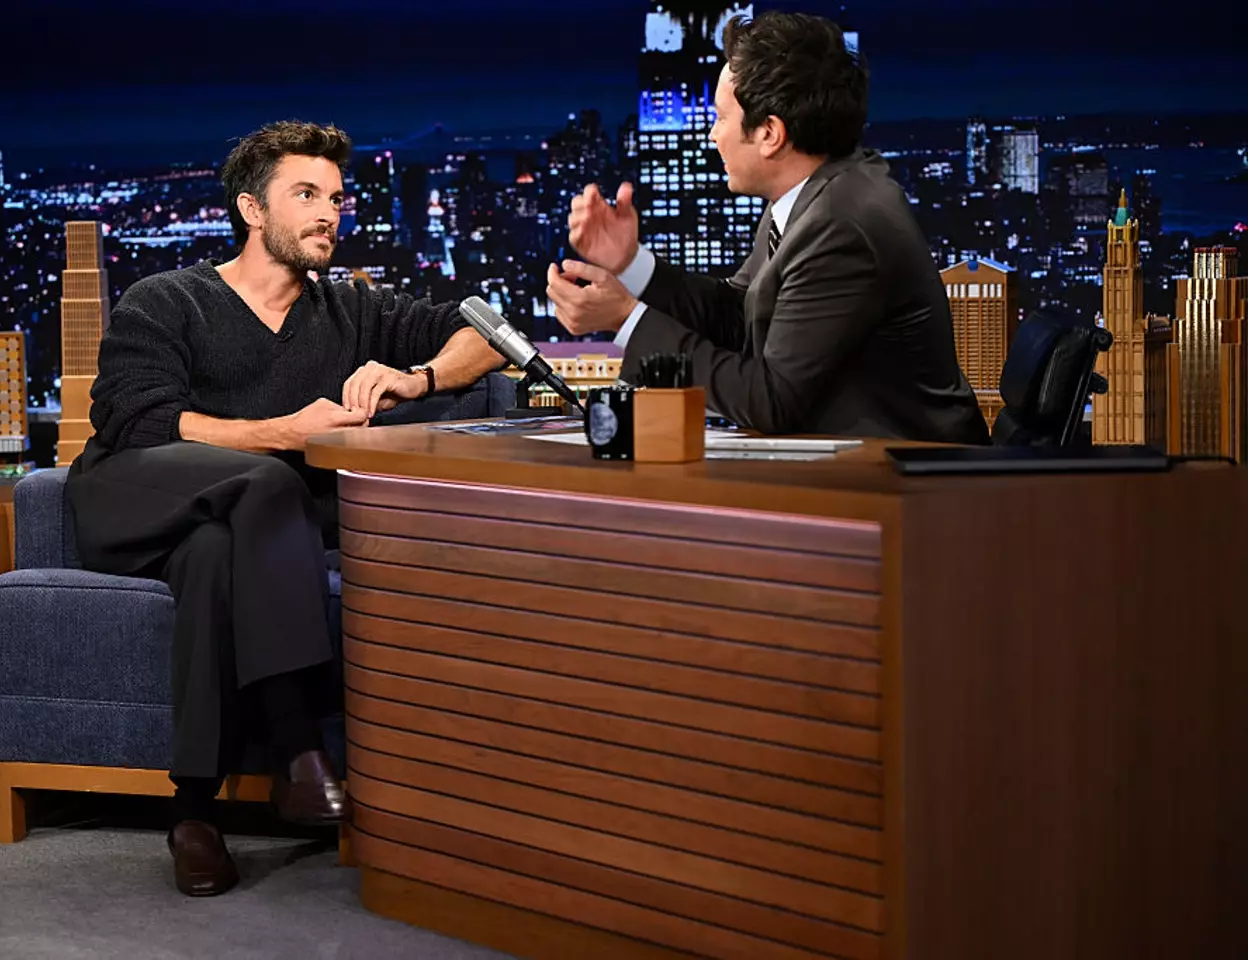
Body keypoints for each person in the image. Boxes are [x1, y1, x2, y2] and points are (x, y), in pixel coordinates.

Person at [65, 120, 501, 897]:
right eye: (305, 194)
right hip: (133, 495)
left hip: (228, 536)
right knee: (273, 478)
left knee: (213, 558)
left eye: (335, 197)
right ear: (252, 210)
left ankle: (192, 812)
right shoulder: (167, 299)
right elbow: (134, 420)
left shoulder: (353, 312)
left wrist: (419, 378)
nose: (328, 212)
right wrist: (284, 434)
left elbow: (488, 336)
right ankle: (300, 748)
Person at [547, 12, 988, 444]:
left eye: (720, 118)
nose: (712, 136)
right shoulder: (815, 194)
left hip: (917, 483)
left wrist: (626, 320)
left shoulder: (842, 224)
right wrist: (631, 264)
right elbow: (741, 316)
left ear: (770, 135)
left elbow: (772, 400)